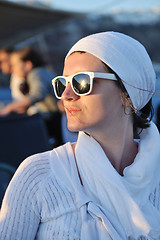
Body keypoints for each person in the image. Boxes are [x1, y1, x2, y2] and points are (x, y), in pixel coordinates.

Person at [0, 31, 160, 239]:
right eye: (62, 83)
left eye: (81, 82)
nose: (66, 95)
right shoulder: (38, 175)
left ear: (127, 91)